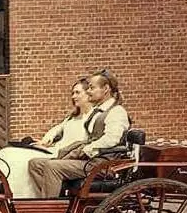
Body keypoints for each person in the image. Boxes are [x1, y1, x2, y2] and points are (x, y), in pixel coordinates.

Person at [28, 69, 130, 198]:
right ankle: (59, 199)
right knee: (35, 164)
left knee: (52, 166)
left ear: (105, 89)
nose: (88, 91)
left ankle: (52, 209)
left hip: (102, 163)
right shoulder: (98, 111)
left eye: (92, 88)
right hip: (90, 160)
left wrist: (87, 149)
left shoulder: (116, 111)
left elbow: (112, 139)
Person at [0, 77, 94, 198]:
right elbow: (56, 129)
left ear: (88, 93)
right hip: (54, 149)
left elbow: (86, 141)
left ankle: (21, 195)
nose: (73, 96)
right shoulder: (72, 117)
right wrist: (45, 140)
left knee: (18, 159)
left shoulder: (92, 118)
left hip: (65, 155)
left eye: (77, 92)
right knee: (7, 152)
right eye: (72, 93)